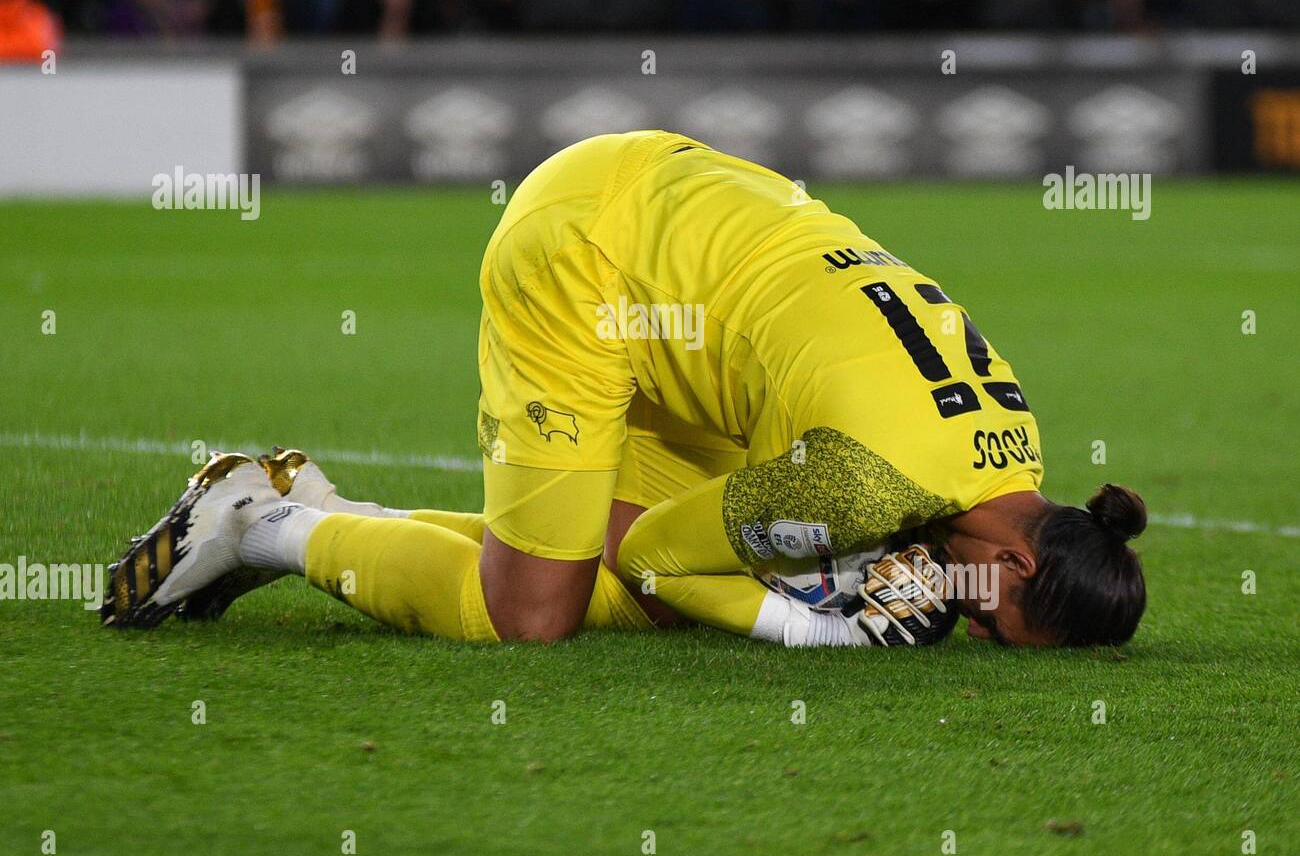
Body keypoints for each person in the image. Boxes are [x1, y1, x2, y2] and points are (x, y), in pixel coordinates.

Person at [102, 131, 1147, 649]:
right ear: (1018, 555)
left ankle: (329, 511)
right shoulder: (865, 484)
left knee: (643, 597)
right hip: (594, 257)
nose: (968, 620)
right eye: (992, 612)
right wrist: (814, 626)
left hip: (700, 228)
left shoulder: (1019, 450)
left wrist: (863, 573)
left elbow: (687, 557)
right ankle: (262, 526)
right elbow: (664, 546)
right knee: (533, 612)